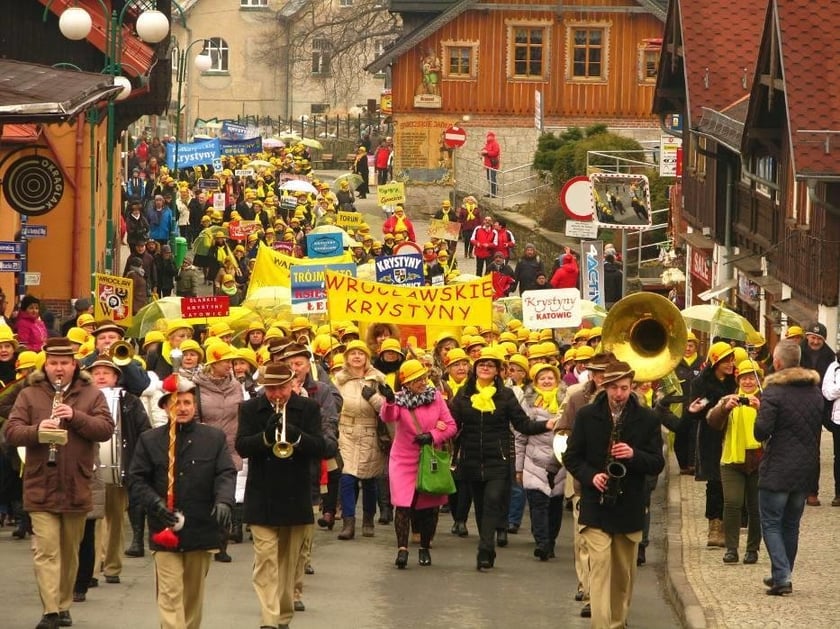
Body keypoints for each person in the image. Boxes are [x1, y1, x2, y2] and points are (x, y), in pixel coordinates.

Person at [5, 337, 114, 629]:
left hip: (77, 484)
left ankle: (64, 604)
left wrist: (75, 416)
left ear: (74, 365)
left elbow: (105, 429)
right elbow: (11, 432)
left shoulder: (91, 394)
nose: (59, 368)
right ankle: (50, 610)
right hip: (40, 483)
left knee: (70, 551)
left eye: (64, 363)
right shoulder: (30, 394)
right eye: (53, 363)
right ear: (46, 364)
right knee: (46, 550)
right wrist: (37, 430)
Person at [562, 358, 665, 628]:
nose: (619, 394)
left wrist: (633, 454)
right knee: (600, 569)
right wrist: (590, 476)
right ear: (604, 386)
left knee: (622, 576)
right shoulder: (586, 416)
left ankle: (617, 623)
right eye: (614, 388)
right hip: (595, 502)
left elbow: (657, 463)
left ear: (633, 387)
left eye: (624, 388)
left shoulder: (648, 418)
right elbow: (571, 457)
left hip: (629, 503)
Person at [128, 375, 236, 629]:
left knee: (192, 597)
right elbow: (136, 480)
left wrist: (224, 501)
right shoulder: (150, 440)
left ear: (195, 405)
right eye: (177, 403)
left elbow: (225, 473)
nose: (183, 408)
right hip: (163, 529)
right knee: (170, 594)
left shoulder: (214, 438)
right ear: (165, 407)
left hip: (201, 528)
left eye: (187, 402)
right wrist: (154, 504)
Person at [235, 363, 325, 629]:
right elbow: (241, 447)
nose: (276, 394)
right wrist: (264, 437)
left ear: (292, 385)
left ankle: (283, 614)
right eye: (271, 389)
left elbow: (320, 447)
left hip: (295, 494)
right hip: (262, 494)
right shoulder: (251, 409)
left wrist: (297, 437)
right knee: (265, 559)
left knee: (288, 564)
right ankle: (269, 618)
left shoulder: (308, 409)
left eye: (282, 388)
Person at [449, 347, 556, 570]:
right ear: (475, 369)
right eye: (481, 364)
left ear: (498, 370)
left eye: (490, 365)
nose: (485, 367)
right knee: (479, 507)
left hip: (497, 460)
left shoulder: (505, 395)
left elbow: (522, 424)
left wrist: (545, 425)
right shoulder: (464, 394)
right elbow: (451, 423)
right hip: (470, 460)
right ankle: (486, 542)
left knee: (492, 501)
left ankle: (485, 550)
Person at [754, 340, 822, 595]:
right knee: (791, 525)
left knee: (771, 523)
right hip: (805, 469)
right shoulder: (814, 392)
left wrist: (761, 410)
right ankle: (781, 573)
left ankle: (782, 577)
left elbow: (761, 430)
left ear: (778, 362)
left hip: (778, 469)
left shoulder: (773, 392)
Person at [379, 359, 457, 568]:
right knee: (403, 505)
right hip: (403, 458)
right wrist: (387, 400)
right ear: (405, 384)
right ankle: (402, 549)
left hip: (429, 456)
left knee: (429, 507)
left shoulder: (436, 398)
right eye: (416, 380)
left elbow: (451, 426)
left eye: (423, 378)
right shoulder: (398, 400)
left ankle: (424, 547)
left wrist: (432, 435)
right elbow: (389, 416)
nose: (422, 382)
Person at [86, 354, 152, 582]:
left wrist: (138, 465)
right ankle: (91, 570)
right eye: (96, 373)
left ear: (116, 377)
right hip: (90, 469)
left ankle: (113, 567)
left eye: (107, 372)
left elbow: (145, 431)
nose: (101, 376)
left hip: (119, 468)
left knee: (115, 520)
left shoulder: (130, 401)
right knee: (93, 521)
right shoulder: (83, 400)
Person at [706, 359, 763, 565]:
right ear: (738, 380)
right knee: (732, 503)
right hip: (731, 459)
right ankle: (731, 548)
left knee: (755, 507)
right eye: (744, 378)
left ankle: (753, 549)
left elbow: (774, 428)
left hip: (758, 459)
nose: (747, 382)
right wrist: (724, 408)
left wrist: (761, 409)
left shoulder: (765, 399)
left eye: (751, 378)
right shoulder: (728, 398)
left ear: (758, 380)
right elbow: (712, 422)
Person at [192, 343, 245, 563]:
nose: (230, 366)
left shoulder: (236, 386)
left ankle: (222, 543)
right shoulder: (197, 387)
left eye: (231, 362)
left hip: (230, 447)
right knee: (204, 496)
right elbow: (193, 416)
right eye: (225, 361)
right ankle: (205, 539)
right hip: (205, 447)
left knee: (226, 495)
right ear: (213, 363)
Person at [333, 340, 388, 540]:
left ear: (367, 358)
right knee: (347, 477)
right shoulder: (338, 380)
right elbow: (332, 405)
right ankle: (349, 522)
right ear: (346, 357)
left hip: (369, 431)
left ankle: (368, 519)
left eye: (361, 353)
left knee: (369, 478)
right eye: (352, 353)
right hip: (346, 431)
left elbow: (387, 409)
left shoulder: (377, 379)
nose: (357, 356)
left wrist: (373, 397)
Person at [686, 341, 737, 548]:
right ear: (716, 362)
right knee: (715, 481)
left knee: (732, 479)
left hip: (733, 433)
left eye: (732, 360)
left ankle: (730, 523)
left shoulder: (736, 381)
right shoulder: (701, 383)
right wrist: (696, 409)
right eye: (726, 360)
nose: (731, 364)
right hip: (711, 435)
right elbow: (695, 413)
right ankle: (715, 525)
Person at [518, 363, 567, 561]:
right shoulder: (527, 402)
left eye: (550, 378)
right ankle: (542, 543)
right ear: (535, 382)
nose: (547, 381)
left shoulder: (566, 402)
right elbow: (521, 434)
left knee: (555, 506)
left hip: (560, 462)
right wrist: (518, 467)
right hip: (533, 461)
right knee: (537, 505)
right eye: (542, 378)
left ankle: (551, 541)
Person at [799, 322, 835, 506]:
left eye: (818, 338)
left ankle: (812, 491)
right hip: (797, 405)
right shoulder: (797, 351)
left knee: (814, 451)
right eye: (812, 337)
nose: (814, 341)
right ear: (807, 337)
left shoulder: (830, 356)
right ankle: (796, 490)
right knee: (797, 448)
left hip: (819, 406)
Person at [480, 131, 501, 198]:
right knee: (489, 179)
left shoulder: (495, 144)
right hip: (488, 164)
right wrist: (482, 151)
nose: (489, 137)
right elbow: (485, 150)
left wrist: (487, 152)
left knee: (492, 178)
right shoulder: (488, 144)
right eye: (488, 136)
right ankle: (491, 192)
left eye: (490, 136)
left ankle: (494, 193)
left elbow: (495, 153)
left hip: (493, 164)